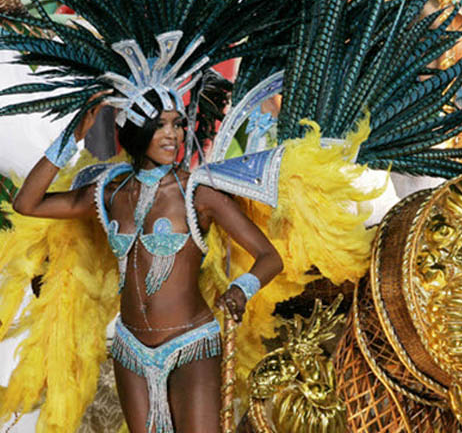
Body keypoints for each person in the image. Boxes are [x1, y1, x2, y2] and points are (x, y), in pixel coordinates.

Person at [11, 91, 283, 433]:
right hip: (131, 349)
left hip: (191, 344)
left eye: (177, 124)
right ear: (136, 130)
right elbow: (27, 203)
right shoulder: (110, 192)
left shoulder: (199, 193)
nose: (172, 135)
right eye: (160, 125)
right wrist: (72, 137)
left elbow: (270, 257)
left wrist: (242, 289)